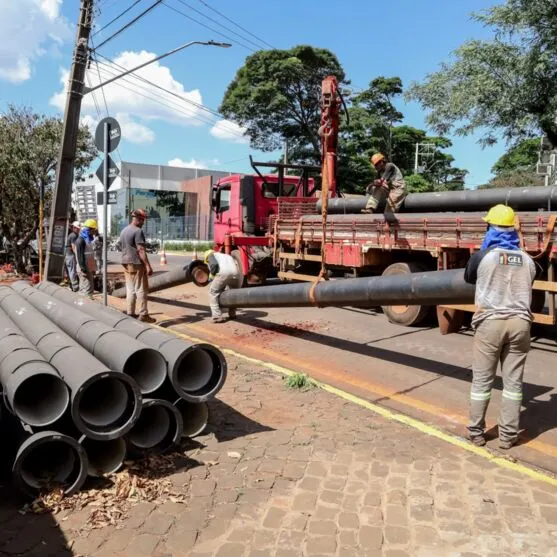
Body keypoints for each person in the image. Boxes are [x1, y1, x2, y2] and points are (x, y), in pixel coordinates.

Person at [464, 204, 536, 450]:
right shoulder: (528, 260)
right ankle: (507, 437)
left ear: (491, 228)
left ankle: (476, 433)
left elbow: (469, 278)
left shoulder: (482, 257)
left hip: (490, 322)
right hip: (521, 324)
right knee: (514, 384)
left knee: (482, 381)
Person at [119, 209, 154, 323]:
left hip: (125, 262)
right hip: (136, 263)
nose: (143, 222)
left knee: (130, 289)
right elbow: (141, 250)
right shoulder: (137, 231)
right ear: (138, 219)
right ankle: (143, 314)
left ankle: (130, 312)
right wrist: (148, 266)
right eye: (143, 220)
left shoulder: (124, 230)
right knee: (141, 289)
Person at [204, 249, 240, 323]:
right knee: (232, 294)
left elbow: (214, 265)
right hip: (235, 273)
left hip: (224, 273)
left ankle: (217, 316)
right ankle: (232, 314)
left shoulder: (211, 255)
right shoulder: (226, 255)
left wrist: (212, 276)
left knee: (213, 292)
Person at [74, 219, 97, 297]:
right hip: (84, 268)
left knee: (89, 289)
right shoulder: (80, 240)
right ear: (89, 229)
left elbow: (89, 255)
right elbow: (80, 256)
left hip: (88, 268)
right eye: (94, 229)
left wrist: (93, 268)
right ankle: (84, 305)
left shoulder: (88, 240)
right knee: (86, 290)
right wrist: (83, 269)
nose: (94, 231)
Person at [65, 221, 80, 291]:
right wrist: (77, 256)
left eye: (79, 228)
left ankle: (70, 286)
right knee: (72, 271)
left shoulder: (72, 235)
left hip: (68, 255)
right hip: (70, 255)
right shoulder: (74, 235)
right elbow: (73, 247)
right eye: (77, 228)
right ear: (74, 228)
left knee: (69, 271)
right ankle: (75, 287)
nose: (78, 230)